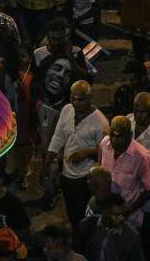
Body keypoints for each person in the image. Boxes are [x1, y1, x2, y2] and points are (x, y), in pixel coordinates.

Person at [46, 79, 109, 223]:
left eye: (80, 99)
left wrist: (86, 153)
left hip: (86, 178)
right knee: (71, 212)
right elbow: (58, 138)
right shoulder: (67, 110)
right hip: (66, 175)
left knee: (84, 215)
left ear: (90, 98)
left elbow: (106, 151)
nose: (75, 102)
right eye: (72, 98)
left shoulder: (101, 123)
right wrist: (46, 164)